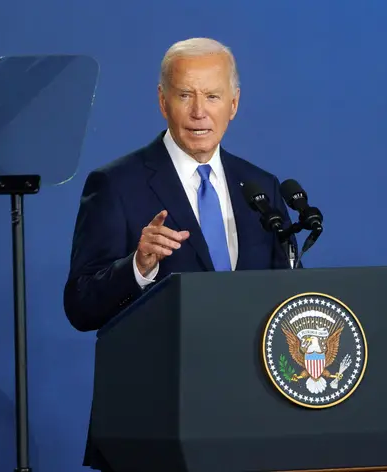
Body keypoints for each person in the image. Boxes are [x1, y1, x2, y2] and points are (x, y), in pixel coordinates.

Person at [62, 37, 296, 471]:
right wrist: (137, 266)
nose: (199, 111)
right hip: (154, 428)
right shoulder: (117, 184)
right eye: (185, 94)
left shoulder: (261, 187)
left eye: (212, 96)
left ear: (234, 103)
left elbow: (283, 300)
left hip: (252, 422)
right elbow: (80, 304)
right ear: (162, 100)